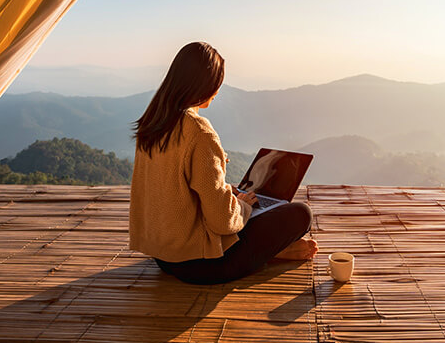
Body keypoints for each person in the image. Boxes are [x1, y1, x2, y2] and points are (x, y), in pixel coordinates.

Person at [128, 42, 318, 285]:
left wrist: (228, 193)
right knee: (300, 214)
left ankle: (267, 251)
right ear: (205, 85)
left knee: (246, 205)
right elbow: (223, 222)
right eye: (218, 82)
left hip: (163, 257)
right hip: (203, 264)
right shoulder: (198, 132)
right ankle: (272, 253)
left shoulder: (152, 123)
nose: (218, 90)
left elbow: (178, 190)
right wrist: (241, 207)